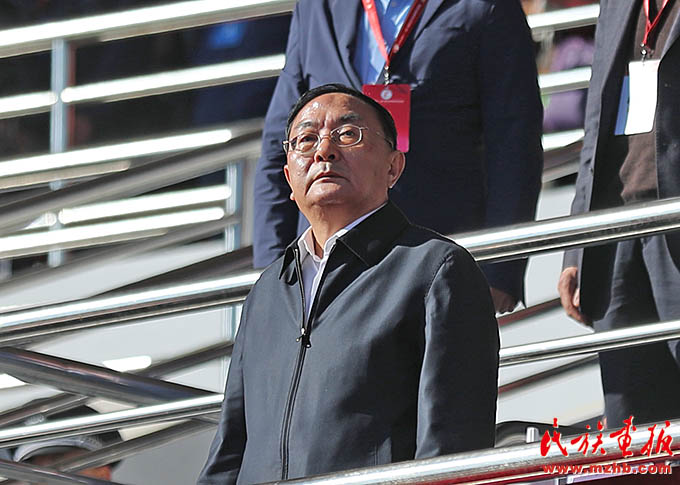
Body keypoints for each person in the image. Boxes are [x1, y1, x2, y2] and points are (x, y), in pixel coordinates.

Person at [198, 84, 499, 484]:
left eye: (347, 134)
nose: (324, 151)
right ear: (288, 178)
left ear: (393, 166)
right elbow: (230, 450)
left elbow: (452, 449)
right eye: (306, 139)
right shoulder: (268, 290)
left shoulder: (436, 271)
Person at [253, 0, 544, 314]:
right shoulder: (317, 7)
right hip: (324, 267)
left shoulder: (485, 6)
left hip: (435, 266)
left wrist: (500, 267)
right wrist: (272, 274)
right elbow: (280, 145)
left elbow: (515, 141)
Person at [558, 0, 680, 426]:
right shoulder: (618, 4)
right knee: (631, 423)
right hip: (615, 235)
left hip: (673, 217)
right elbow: (596, 123)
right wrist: (577, 246)